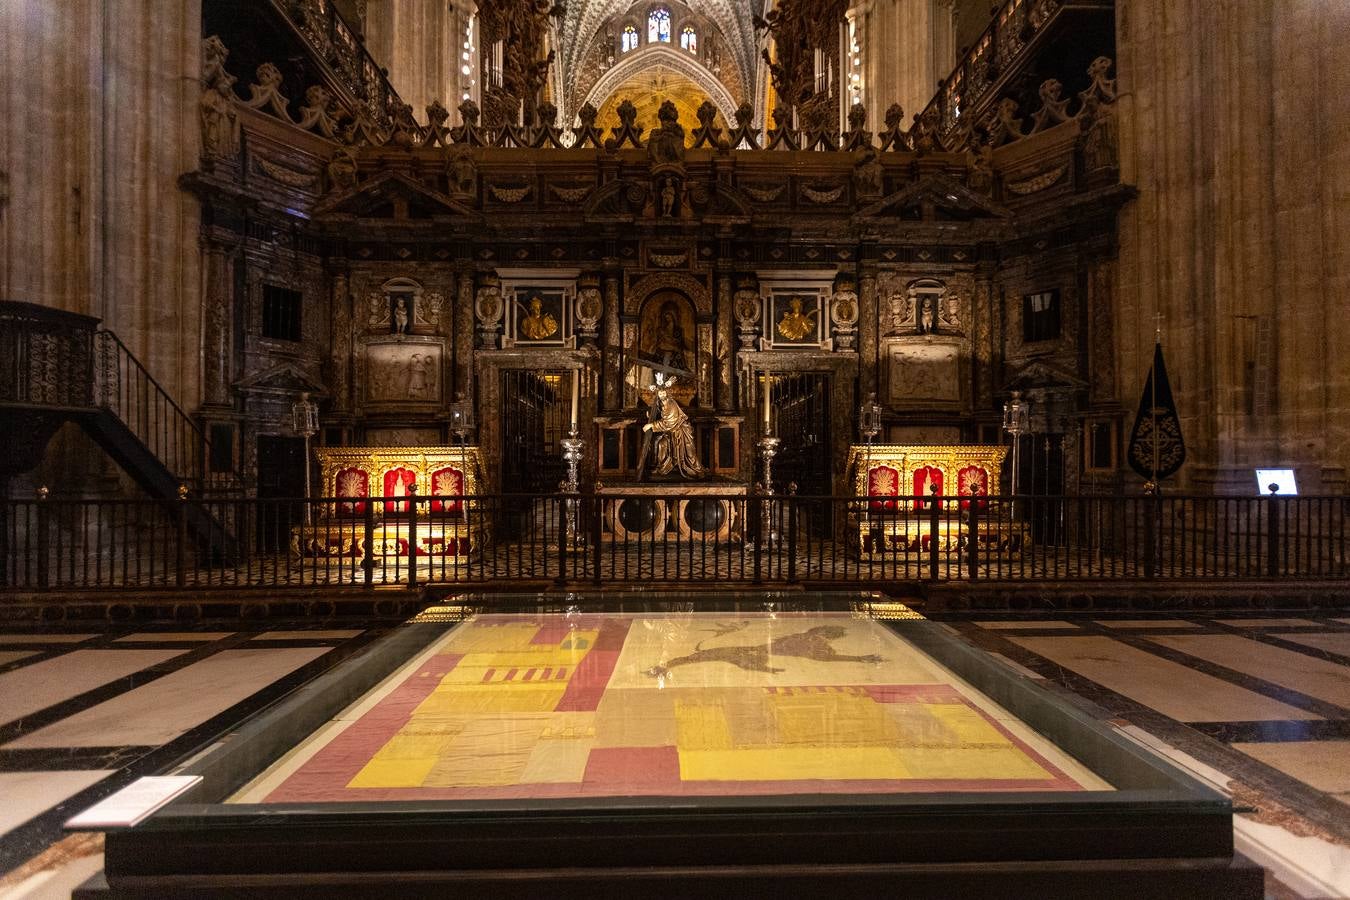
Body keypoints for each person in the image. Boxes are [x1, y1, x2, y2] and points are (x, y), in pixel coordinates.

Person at [643, 381, 703, 479]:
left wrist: (651, 425)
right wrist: (651, 417)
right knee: (661, 444)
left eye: (663, 393)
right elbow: (662, 417)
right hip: (669, 432)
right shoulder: (660, 403)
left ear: (667, 393)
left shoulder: (670, 403)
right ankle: (662, 467)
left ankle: (696, 469)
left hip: (680, 432)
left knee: (690, 453)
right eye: (660, 393)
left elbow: (669, 422)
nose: (662, 395)